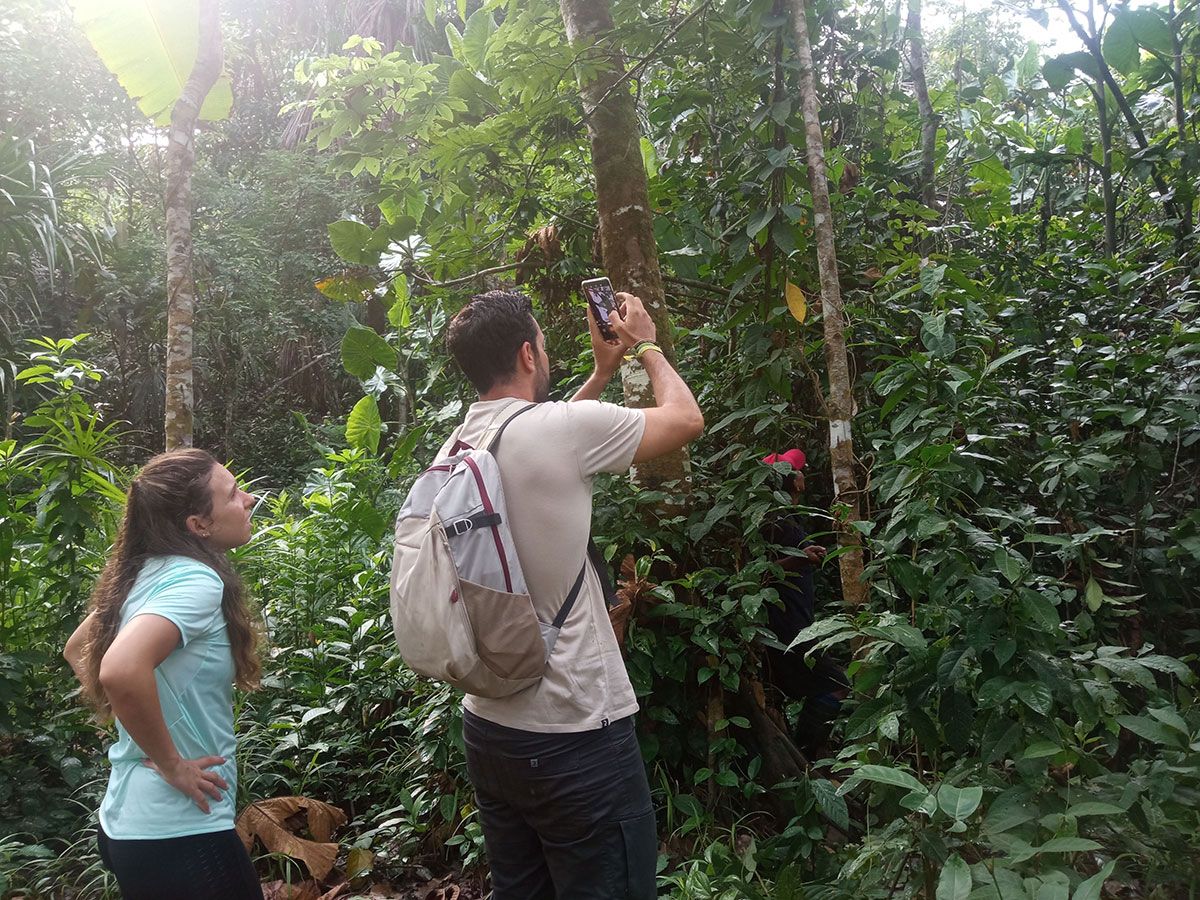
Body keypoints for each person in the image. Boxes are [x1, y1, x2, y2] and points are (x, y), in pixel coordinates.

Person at [441, 288, 703, 899]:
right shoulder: (558, 431)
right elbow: (685, 420)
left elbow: (543, 445)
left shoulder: (460, 445)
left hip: (489, 730)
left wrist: (601, 374)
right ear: (528, 354)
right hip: (574, 733)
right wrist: (645, 346)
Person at [63, 449, 263, 900]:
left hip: (129, 824)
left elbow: (77, 650)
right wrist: (172, 763)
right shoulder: (195, 582)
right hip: (181, 832)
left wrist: (147, 728)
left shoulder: (144, 573)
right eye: (233, 494)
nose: (248, 499)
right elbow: (120, 669)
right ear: (198, 524)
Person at [760, 449, 847, 756]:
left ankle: (804, 751)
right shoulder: (774, 519)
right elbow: (758, 572)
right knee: (837, 685)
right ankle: (807, 753)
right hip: (784, 627)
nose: (803, 475)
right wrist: (800, 559)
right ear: (792, 480)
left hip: (796, 621)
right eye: (799, 470)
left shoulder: (787, 515)